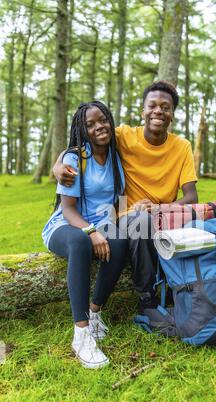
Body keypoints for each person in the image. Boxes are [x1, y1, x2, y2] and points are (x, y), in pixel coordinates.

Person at [53, 81, 198, 315]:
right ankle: (147, 298)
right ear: (143, 111)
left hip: (164, 212)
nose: (158, 110)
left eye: (165, 107)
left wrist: (161, 208)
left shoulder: (182, 147)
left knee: (198, 222)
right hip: (124, 212)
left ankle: (188, 286)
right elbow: (84, 139)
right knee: (141, 221)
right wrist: (58, 164)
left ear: (172, 114)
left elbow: (191, 196)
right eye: (152, 105)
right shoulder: (123, 135)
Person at [42, 101, 127, 369]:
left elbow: (118, 201)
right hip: (66, 226)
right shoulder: (74, 158)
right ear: (82, 130)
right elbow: (67, 210)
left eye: (102, 120)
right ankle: (81, 334)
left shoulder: (116, 156)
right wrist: (91, 232)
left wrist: (117, 225)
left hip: (101, 225)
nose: (99, 126)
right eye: (90, 124)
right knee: (80, 242)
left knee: (122, 238)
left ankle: (94, 312)